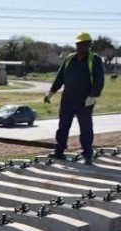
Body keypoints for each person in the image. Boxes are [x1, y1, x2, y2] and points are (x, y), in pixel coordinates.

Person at [45, 31, 105, 165]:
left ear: (89, 45)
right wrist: (51, 92)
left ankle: (87, 154)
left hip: (85, 101)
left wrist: (93, 96)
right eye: (78, 44)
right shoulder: (69, 59)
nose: (80, 46)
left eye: (83, 44)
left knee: (86, 128)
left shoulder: (94, 60)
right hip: (67, 100)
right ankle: (59, 152)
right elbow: (60, 77)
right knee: (63, 127)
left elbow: (99, 80)